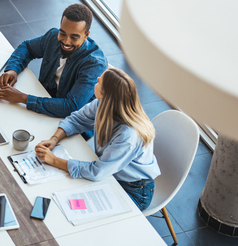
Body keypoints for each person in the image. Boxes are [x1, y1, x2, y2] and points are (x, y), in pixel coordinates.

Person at [34, 68, 160, 210]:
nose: (98, 78)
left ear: (106, 95)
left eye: (101, 81)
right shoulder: (103, 104)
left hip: (133, 189)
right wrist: (54, 139)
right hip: (109, 172)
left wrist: (54, 160)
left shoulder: (128, 136)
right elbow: (76, 119)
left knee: (78, 208)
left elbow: (97, 172)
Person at [0, 4, 107, 118]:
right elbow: (27, 47)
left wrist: (22, 98)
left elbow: (70, 107)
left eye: (74, 37)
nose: (66, 42)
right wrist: (13, 69)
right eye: (62, 33)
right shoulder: (52, 37)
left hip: (70, 122)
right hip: (42, 100)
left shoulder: (94, 64)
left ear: (86, 35)